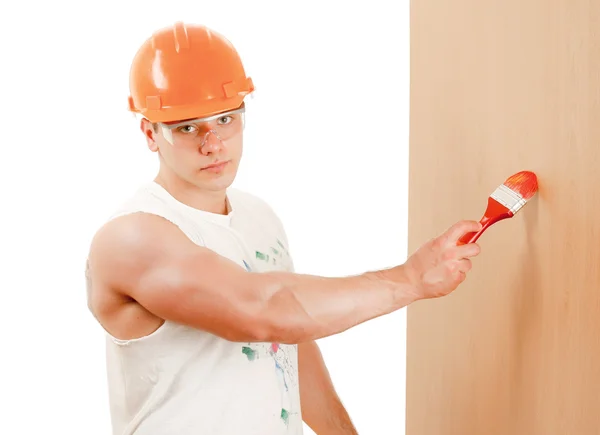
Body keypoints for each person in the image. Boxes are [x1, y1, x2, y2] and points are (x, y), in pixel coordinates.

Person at [85, 22, 482, 435]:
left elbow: (291, 336)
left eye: (225, 119)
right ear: (150, 133)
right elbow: (261, 311)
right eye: (187, 127)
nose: (213, 143)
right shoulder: (131, 238)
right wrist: (411, 278)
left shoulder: (258, 217)